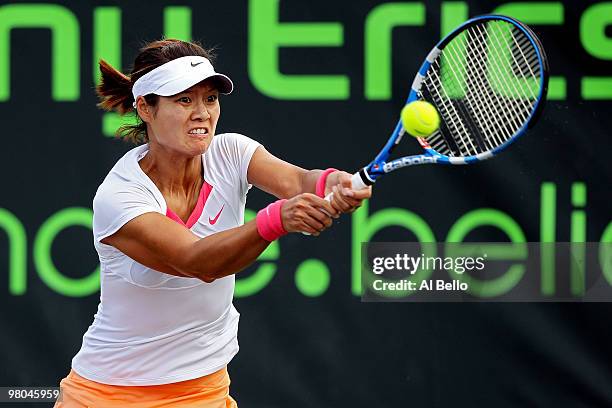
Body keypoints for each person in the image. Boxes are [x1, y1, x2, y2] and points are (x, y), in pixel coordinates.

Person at [54, 39, 371, 407]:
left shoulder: (232, 152)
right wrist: (276, 220)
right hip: (110, 396)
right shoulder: (120, 196)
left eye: (210, 99)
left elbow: (300, 182)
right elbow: (197, 262)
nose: (202, 113)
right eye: (184, 100)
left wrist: (335, 184)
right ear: (145, 108)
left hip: (205, 390)